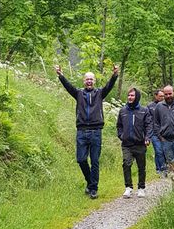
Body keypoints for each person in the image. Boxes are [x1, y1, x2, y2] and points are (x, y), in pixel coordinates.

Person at [54, 64, 119, 198]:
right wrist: (61, 75)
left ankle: (93, 189)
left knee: (94, 161)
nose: (89, 81)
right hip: (82, 132)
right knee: (81, 159)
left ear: (94, 81)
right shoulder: (78, 93)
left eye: (91, 79)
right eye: (87, 79)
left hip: (96, 131)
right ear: (84, 81)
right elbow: (68, 87)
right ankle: (90, 182)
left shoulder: (100, 93)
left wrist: (114, 75)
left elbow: (109, 86)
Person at [117, 87, 153, 198]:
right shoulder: (123, 111)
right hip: (127, 144)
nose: (130, 97)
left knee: (141, 166)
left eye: (132, 95)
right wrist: (121, 136)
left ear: (137, 96)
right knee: (126, 164)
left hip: (140, 143)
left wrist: (147, 137)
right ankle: (128, 188)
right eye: (129, 95)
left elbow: (148, 125)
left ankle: (141, 188)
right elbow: (119, 126)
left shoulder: (144, 110)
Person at [146, 89, 166, 176]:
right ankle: (162, 169)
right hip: (154, 133)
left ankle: (160, 168)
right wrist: (147, 135)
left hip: (164, 132)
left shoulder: (166, 105)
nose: (162, 98)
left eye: (163, 96)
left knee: (164, 151)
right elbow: (148, 121)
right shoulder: (150, 106)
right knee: (158, 151)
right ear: (156, 96)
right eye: (160, 96)